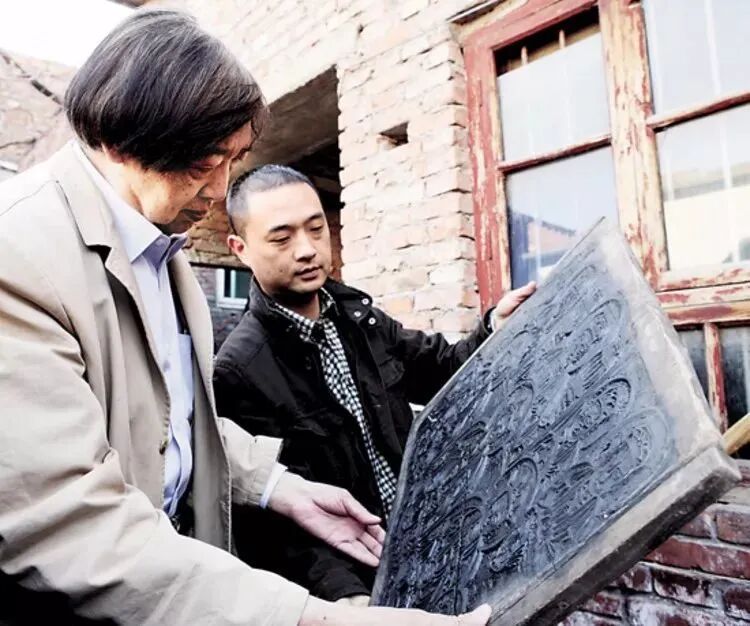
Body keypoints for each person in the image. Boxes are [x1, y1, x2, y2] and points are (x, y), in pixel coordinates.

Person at [0, 10, 491, 626]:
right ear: (121, 143)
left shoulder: (161, 249)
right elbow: (70, 523)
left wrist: (278, 487)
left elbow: (167, 425)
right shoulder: (18, 256)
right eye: (203, 163)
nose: (218, 191)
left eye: (233, 159)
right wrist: (321, 618)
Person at [213, 164, 536, 603]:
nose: (307, 250)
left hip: (433, 548)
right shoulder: (239, 369)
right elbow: (276, 526)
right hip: (363, 589)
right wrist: (348, 598)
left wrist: (495, 325)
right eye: (282, 238)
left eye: (316, 229)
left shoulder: (359, 319)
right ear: (240, 249)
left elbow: (442, 369)